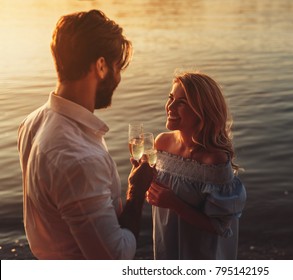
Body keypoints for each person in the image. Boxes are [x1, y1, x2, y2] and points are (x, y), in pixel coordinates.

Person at [17, 10, 154, 260]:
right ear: (101, 66)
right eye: (116, 67)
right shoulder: (79, 158)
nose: (118, 77)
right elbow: (114, 259)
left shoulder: (32, 122)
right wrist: (136, 194)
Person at [146, 72, 246, 259]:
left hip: (201, 252)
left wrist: (174, 203)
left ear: (202, 110)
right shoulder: (161, 143)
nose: (171, 107)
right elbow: (156, 193)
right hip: (166, 243)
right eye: (171, 98)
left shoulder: (214, 160)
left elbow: (220, 226)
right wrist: (141, 178)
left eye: (182, 102)